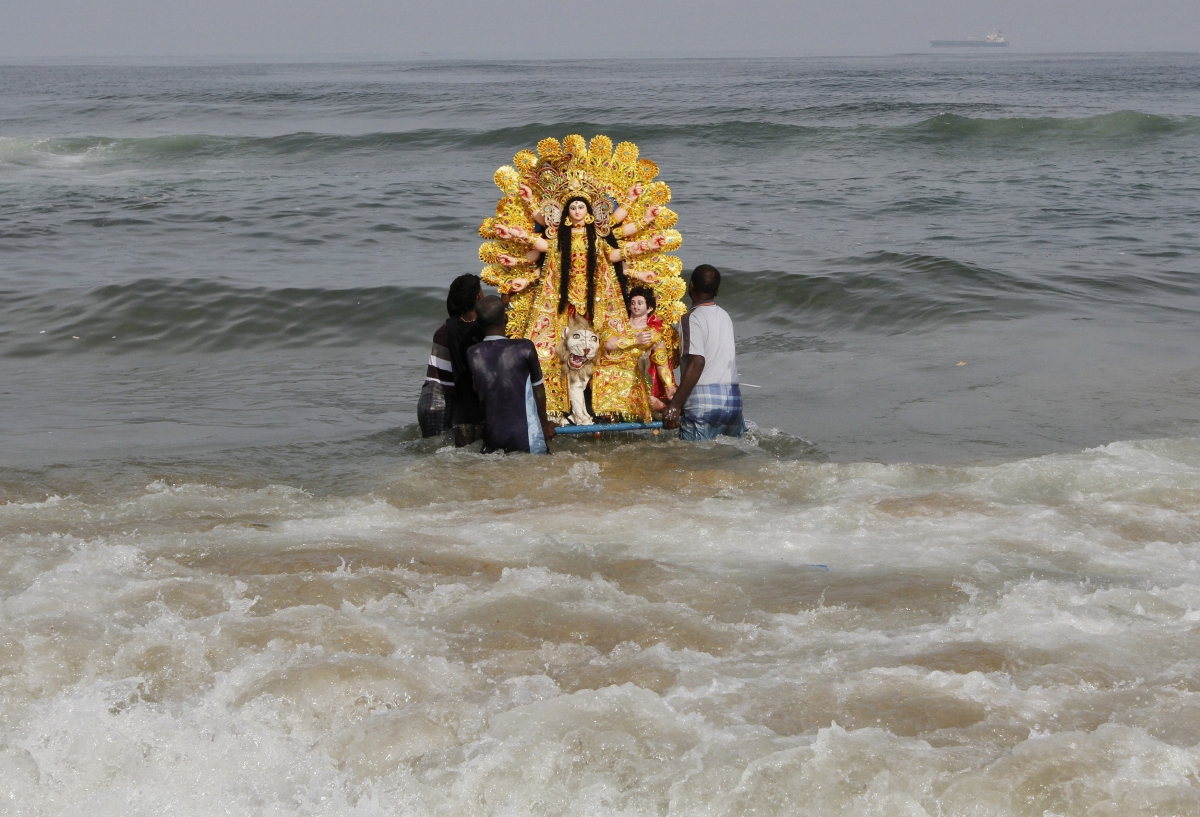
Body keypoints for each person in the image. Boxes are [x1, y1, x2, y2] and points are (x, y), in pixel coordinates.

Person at [662, 265, 745, 440]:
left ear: (691, 286)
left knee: (693, 462)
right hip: (733, 401)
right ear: (718, 290)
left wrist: (675, 405)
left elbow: (697, 361)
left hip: (703, 403)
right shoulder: (725, 316)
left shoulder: (691, 317)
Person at [466, 295, 557, 454]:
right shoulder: (525, 348)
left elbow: (476, 387)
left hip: (492, 437)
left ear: (478, 323)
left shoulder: (473, 353)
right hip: (527, 436)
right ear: (506, 318)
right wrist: (545, 424)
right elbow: (538, 390)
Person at [591, 285, 677, 421]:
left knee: (647, 395)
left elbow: (662, 364)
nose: (635, 306)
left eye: (640, 303)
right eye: (633, 303)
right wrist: (635, 340)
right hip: (606, 370)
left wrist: (669, 386)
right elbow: (608, 343)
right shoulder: (615, 324)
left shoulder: (653, 335)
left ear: (649, 308)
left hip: (633, 374)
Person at [417, 280, 473, 437]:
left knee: (435, 455)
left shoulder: (446, 328)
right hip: (442, 400)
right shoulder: (458, 332)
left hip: (430, 397)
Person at [443, 274, 485, 447]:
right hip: (482, 409)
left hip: (461, 412)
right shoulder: (482, 329)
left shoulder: (451, 326)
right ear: (478, 296)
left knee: (464, 462)